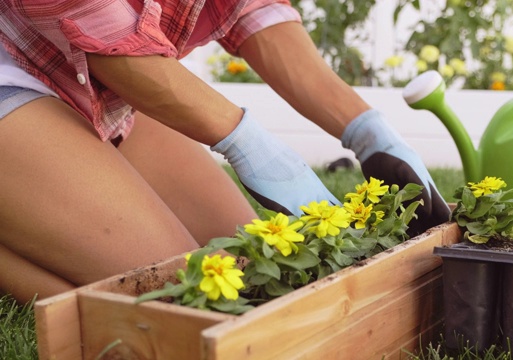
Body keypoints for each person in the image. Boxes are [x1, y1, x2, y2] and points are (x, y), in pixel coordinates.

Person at [0, 0, 450, 304]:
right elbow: (98, 30)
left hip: (101, 96)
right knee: (193, 294)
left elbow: (251, 10)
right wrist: (248, 141)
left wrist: (367, 131)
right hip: (17, 72)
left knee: (260, 274)